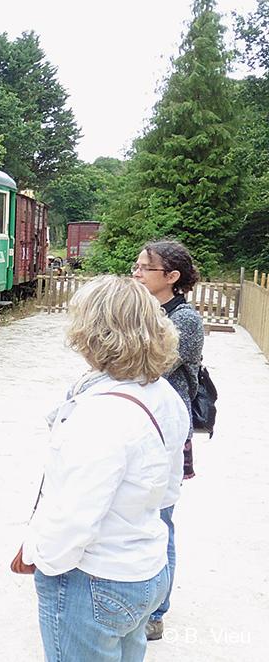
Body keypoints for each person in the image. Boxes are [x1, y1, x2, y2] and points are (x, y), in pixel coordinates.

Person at [22, 276, 189, 662]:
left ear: (95, 333)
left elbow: (74, 517)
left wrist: (44, 562)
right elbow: (168, 492)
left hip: (94, 580)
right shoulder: (163, 394)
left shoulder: (99, 413)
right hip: (146, 568)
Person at [132, 239, 204, 641]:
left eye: (145, 268)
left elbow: (148, 361)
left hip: (165, 431)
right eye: (137, 266)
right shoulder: (146, 310)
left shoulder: (186, 320)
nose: (137, 274)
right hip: (136, 426)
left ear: (172, 277)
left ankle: (157, 610)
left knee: (160, 520)